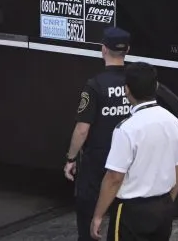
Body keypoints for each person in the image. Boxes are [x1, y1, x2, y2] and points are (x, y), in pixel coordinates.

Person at [89, 63, 178, 241]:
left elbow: (114, 178)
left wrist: (97, 216)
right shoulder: (175, 123)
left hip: (132, 211)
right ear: (156, 86)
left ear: (127, 90)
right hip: (163, 207)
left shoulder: (126, 129)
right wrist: (168, 201)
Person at [64, 27, 133, 241]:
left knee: (88, 223)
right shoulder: (136, 83)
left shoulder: (94, 86)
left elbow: (82, 128)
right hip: (128, 163)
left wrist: (71, 158)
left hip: (97, 163)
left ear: (103, 49)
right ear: (127, 50)